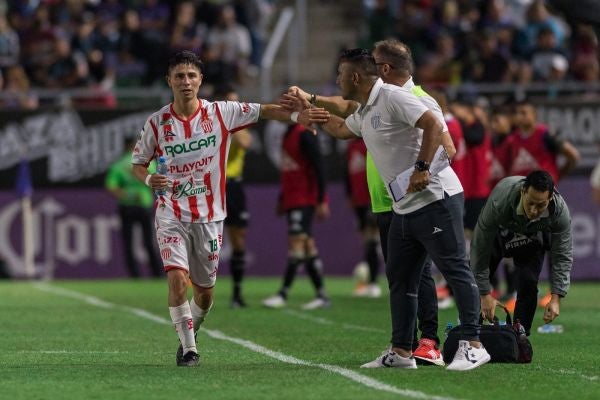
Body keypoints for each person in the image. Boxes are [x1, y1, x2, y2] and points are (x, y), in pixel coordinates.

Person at [131, 50, 329, 367]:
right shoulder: (157, 124)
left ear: (200, 81)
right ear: (169, 80)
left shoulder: (222, 112)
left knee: (206, 295)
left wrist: (296, 117)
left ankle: (192, 331)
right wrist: (149, 178)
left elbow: (264, 111)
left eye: (191, 75)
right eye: (179, 76)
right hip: (171, 213)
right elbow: (138, 164)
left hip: (210, 216)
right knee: (177, 279)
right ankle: (189, 348)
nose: (185, 81)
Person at [301, 47, 490, 371]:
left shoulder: (393, 97)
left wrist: (421, 167)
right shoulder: (369, 107)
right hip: (404, 206)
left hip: (436, 199)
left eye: (340, 75)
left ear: (355, 77)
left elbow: (433, 125)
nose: (337, 80)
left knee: (455, 268)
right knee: (401, 279)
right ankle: (402, 352)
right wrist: (308, 114)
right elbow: (344, 129)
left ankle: (473, 345)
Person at [470, 170, 572, 336]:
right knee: (473, 281)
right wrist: (484, 293)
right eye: (530, 202)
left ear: (550, 198)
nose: (533, 211)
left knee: (528, 283)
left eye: (541, 205)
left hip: (533, 237)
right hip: (500, 233)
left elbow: (562, 255)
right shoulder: (500, 202)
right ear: (523, 192)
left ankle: (519, 338)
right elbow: (479, 248)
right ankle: (470, 335)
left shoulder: (559, 212)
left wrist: (556, 297)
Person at [262, 122, 331, 310]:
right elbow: (288, 172)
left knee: (297, 243)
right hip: (292, 198)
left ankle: (283, 293)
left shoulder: (305, 134)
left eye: (290, 105)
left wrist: (322, 199)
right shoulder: (287, 134)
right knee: (307, 246)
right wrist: (282, 199)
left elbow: (319, 167)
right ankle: (322, 295)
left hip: (305, 198)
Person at [214, 84, 252, 308]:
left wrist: (232, 124)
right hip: (213, 186)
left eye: (238, 102)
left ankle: (237, 293)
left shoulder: (239, 127)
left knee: (238, 239)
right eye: (231, 103)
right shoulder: (209, 125)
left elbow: (245, 143)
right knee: (204, 240)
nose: (236, 107)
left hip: (233, 186)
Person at [105, 136, 162, 278]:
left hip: (127, 207)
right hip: (144, 205)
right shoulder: (147, 163)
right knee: (149, 241)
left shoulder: (118, 165)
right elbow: (156, 182)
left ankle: (134, 275)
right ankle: (156, 274)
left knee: (128, 243)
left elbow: (111, 187)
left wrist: (128, 196)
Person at [344, 137, 382, 298]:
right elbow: (346, 171)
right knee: (367, 241)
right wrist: (349, 195)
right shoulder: (351, 145)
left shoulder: (371, 141)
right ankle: (369, 282)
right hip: (359, 200)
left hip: (372, 199)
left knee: (373, 240)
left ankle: (373, 283)